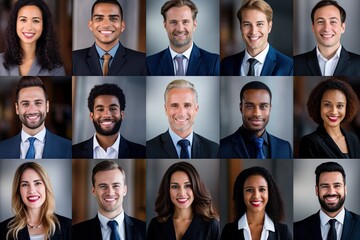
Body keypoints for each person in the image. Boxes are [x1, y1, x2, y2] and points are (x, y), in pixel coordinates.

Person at [0, 76, 72, 159]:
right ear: (17, 109)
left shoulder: (68, 148)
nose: (32, 110)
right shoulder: (2, 149)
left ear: (47, 106)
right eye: (25, 104)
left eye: (38, 103)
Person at [72, 160, 146, 240]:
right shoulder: (75, 233)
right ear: (93, 191)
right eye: (103, 186)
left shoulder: (145, 229)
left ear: (125, 190)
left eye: (115, 186)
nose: (110, 193)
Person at [147, 161, 220, 240]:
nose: (181, 193)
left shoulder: (211, 225)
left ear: (196, 188)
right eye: (175, 187)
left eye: (187, 186)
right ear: (167, 190)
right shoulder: (155, 225)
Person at [146, 79, 219, 158]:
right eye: (174, 105)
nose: (181, 113)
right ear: (166, 109)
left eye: (187, 105)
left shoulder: (214, 150)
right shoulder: (148, 149)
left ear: (196, 109)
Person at [219, 81, 292, 159]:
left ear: (270, 108)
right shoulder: (221, 148)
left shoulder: (285, 148)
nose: (257, 114)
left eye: (263, 106)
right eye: (249, 106)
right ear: (241, 108)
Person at [72, 0, 146, 76]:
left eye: (113, 19)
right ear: (90, 25)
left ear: (122, 26)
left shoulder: (142, 61)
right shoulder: (74, 59)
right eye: (99, 18)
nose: (106, 25)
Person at [146, 0, 220, 76]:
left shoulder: (214, 62)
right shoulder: (149, 63)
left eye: (185, 22)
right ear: (165, 25)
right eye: (173, 22)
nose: (180, 29)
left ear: (194, 25)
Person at [0, 162, 71, 240]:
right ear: (18, 191)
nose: (32, 190)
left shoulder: (68, 226)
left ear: (46, 187)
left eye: (37, 183)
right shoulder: (3, 229)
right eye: (25, 184)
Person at [72, 83, 146, 159]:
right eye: (100, 109)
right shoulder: (73, 152)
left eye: (112, 109)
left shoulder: (142, 152)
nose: (106, 115)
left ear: (122, 115)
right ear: (91, 116)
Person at [221, 0, 293, 76]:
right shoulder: (226, 65)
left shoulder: (288, 66)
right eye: (247, 24)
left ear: (269, 26)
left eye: (259, 24)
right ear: (240, 27)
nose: (253, 32)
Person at [221, 166, 292, 239]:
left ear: (269, 193)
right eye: (249, 190)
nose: (256, 196)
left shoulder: (283, 232)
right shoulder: (228, 231)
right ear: (241, 194)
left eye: (262, 189)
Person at [294, 161, 360, 239]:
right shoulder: (297, 229)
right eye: (325, 186)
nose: (331, 192)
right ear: (317, 190)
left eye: (337, 186)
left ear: (345, 189)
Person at [294, 0, 360, 76]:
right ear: (313, 27)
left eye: (333, 22)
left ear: (342, 27)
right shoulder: (296, 63)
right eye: (320, 22)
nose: (326, 28)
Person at [0, 0, 65, 76]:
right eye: (23, 20)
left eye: (36, 21)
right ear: (15, 23)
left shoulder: (55, 67)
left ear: (44, 26)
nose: (29, 27)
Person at [299, 78, 360, 158]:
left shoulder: (353, 139)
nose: (334, 111)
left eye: (340, 106)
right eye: (327, 105)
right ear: (318, 106)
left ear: (347, 108)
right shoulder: (309, 142)